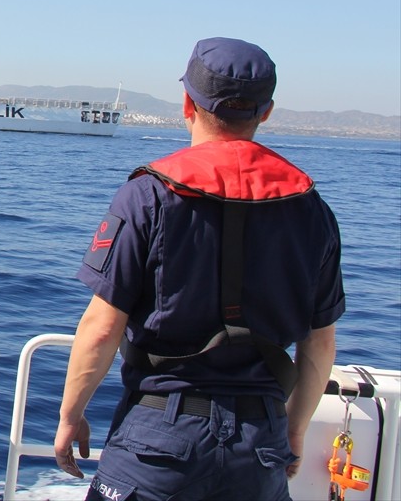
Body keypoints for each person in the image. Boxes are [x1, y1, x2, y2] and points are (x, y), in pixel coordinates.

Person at [54, 37, 345, 501]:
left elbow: (102, 327)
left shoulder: (147, 195)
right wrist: (293, 432)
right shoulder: (311, 209)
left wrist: (71, 417)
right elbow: (320, 342)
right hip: (261, 442)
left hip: (158, 437)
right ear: (265, 112)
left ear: (188, 103)